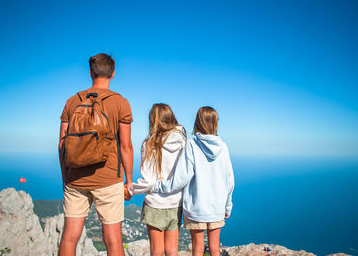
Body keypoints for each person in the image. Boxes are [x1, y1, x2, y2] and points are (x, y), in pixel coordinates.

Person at [58, 53, 133, 256]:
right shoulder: (121, 103)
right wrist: (128, 181)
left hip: (75, 178)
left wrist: (66, 176)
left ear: (90, 72)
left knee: (69, 236)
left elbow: (62, 144)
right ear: (113, 74)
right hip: (108, 179)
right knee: (113, 239)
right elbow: (126, 146)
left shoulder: (72, 102)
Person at [151, 106, 235, 256]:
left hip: (196, 208)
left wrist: (159, 186)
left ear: (198, 122)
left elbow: (182, 177)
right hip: (217, 208)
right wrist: (227, 207)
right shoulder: (223, 147)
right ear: (216, 123)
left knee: (197, 248)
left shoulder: (191, 145)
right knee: (215, 249)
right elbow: (230, 181)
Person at [128, 103, 186, 256]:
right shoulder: (183, 142)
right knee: (172, 250)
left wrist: (130, 190)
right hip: (176, 202)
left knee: (157, 249)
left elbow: (148, 181)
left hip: (155, 203)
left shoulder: (149, 144)